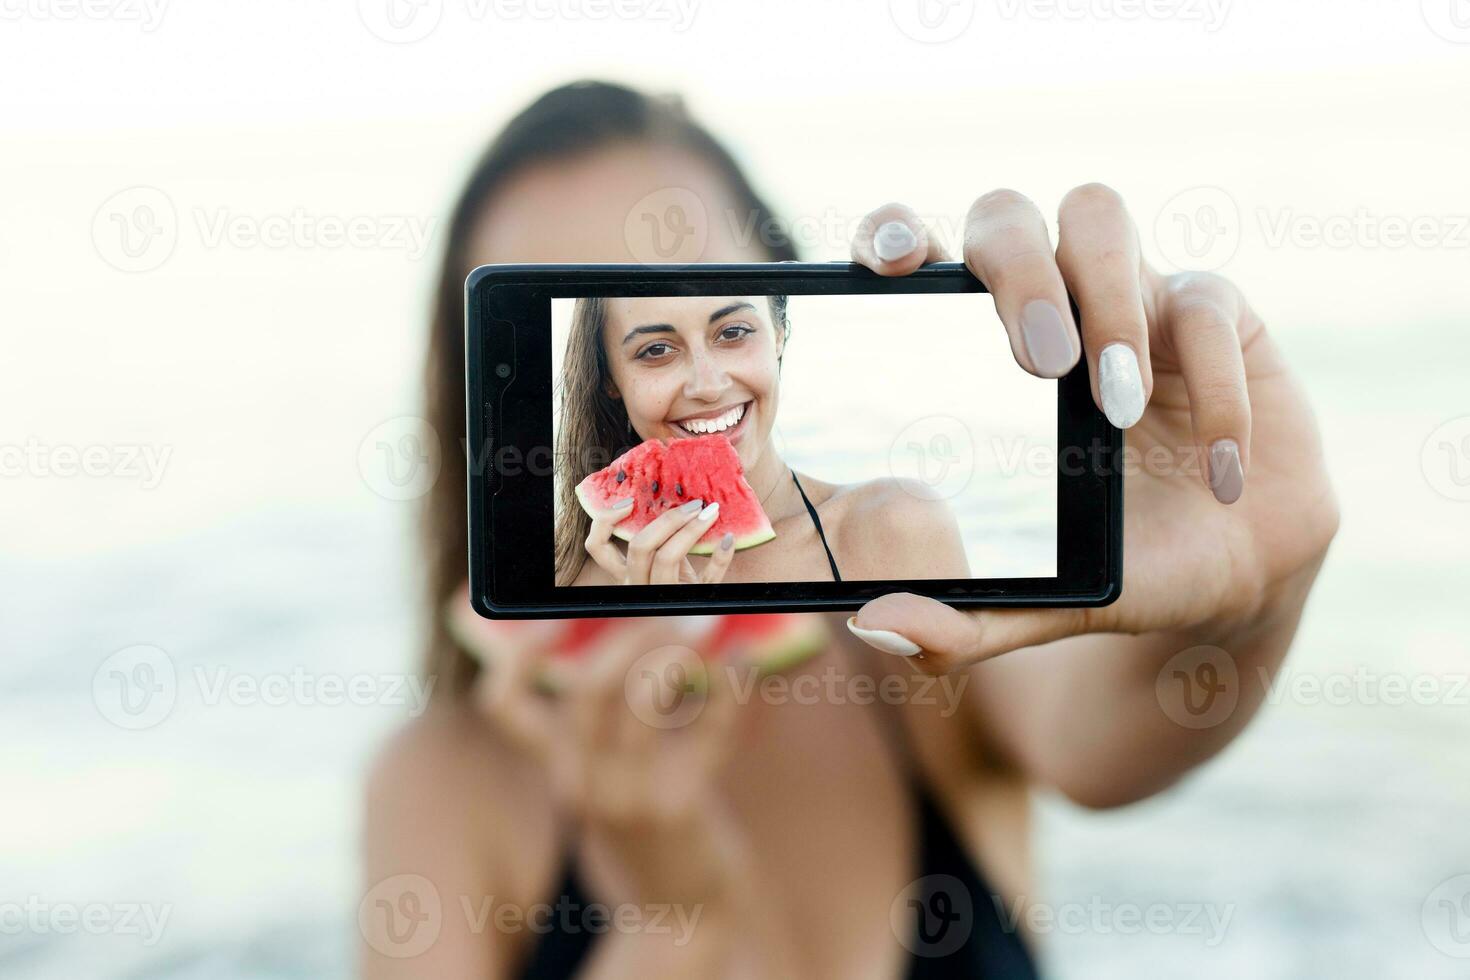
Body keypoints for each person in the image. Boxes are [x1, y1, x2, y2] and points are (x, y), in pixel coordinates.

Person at [362, 80, 1339, 978]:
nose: (704, 378)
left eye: (727, 318)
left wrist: (1250, 589)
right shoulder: (440, 779)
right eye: (651, 337)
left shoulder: (891, 566)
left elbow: (1110, 739)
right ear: (594, 379)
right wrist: (678, 921)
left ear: (785, 316)